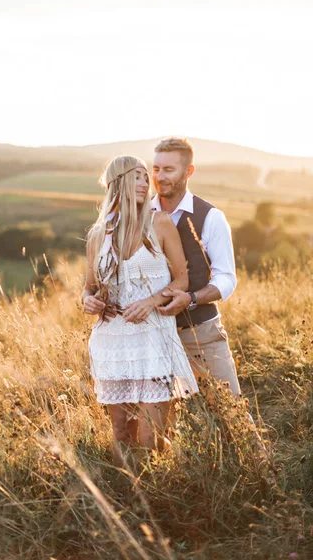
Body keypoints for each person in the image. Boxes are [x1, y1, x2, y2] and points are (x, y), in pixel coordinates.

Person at [82, 155, 198, 465]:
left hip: (153, 339)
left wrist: (151, 302)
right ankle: (128, 501)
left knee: (151, 439)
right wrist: (88, 300)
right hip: (112, 341)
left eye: (145, 177)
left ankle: (159, 500)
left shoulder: (159, 223)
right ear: (117, 183)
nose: (145, 182)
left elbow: (182, 279)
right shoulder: (97, 236)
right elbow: (89, 287)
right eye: (136, 177)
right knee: (121, 432)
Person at [151, 137, 242, 396]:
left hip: (201, 332)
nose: (160, 176)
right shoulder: (142, 213)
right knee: (161, 421)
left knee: (230, 411)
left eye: (169, 169)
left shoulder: (211, 217)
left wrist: (191, 299)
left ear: (188, 171)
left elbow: (226, 278)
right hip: (153, 335)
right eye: (156, 169)